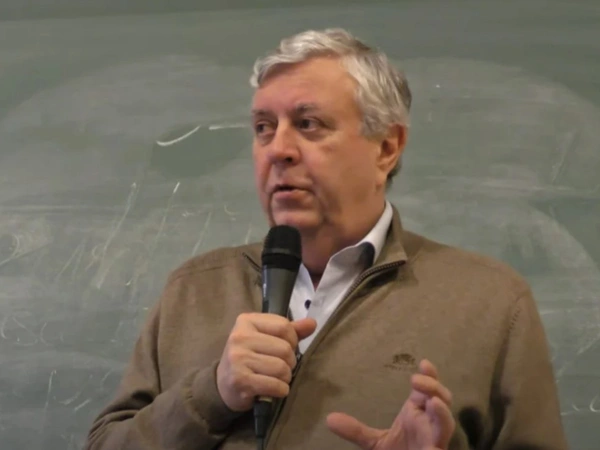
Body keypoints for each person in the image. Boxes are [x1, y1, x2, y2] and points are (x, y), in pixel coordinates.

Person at [84, 28, 569, 450]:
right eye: (263, 128)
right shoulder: (194, 290)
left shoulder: (490, 303)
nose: (278, 150)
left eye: (308, 124)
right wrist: (213, 393)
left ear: (387, 147)